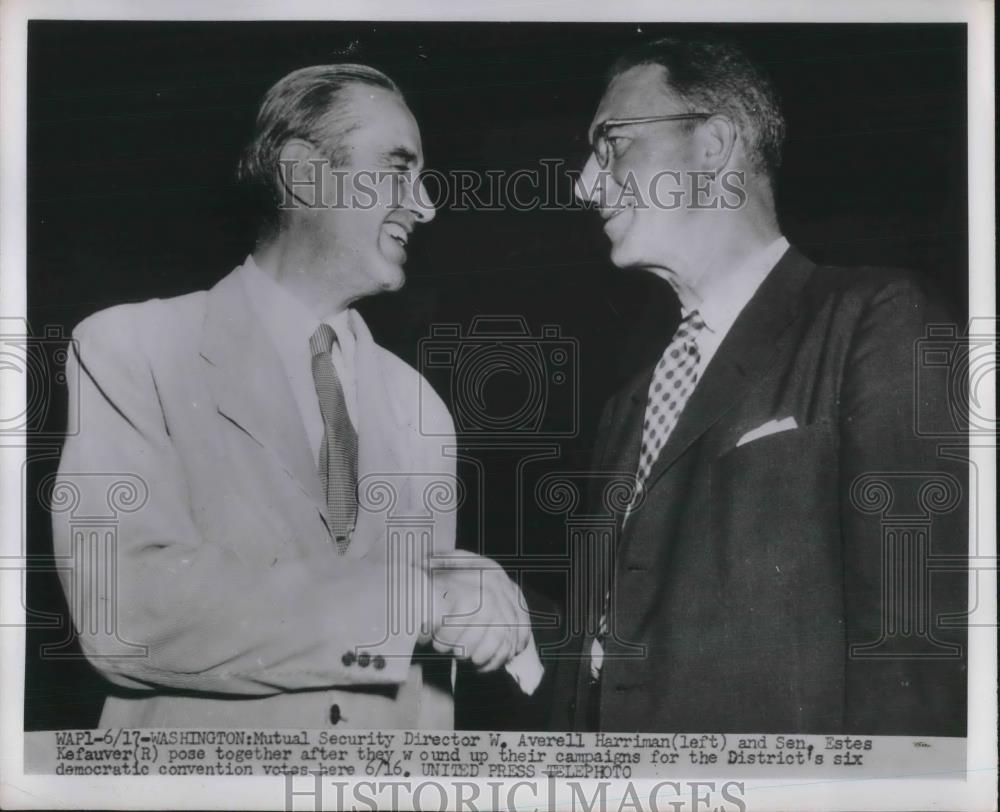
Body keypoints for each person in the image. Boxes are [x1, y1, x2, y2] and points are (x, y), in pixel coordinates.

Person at [52, 64, 534, 729]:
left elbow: (424, 687)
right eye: (398, 170)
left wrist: (480, 599)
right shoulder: (132, 347)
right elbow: (127, 610)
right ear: (304, 175)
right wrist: (411, 602)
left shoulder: (419, 404)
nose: (425, 204)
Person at [550, 37, 967, 735]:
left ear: (714, 143)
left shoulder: (880, 321)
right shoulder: (628, 406)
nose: (584, 183)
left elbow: (912, 657)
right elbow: (608, 658)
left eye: (612, 142)